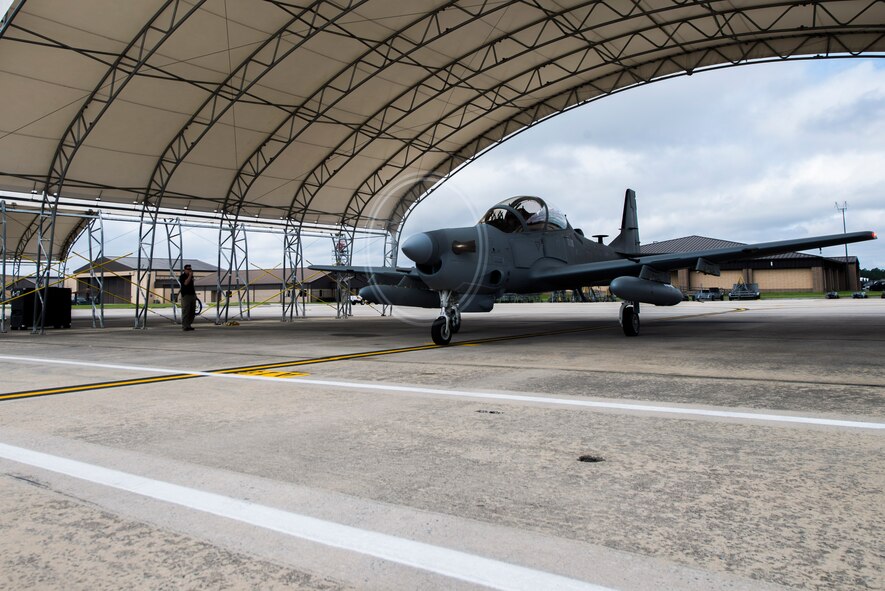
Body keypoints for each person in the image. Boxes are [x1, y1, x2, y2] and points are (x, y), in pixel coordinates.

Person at [179, 264, 197, 331]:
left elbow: (192, 286)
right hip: (186, 295)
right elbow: (186, 283)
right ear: (185, 270)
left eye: (190, 269)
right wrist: (190, 276)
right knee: (186, 310)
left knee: (192, 311)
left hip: (192, 294)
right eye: (188, 269)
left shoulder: (191, 277)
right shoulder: (182, 276)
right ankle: (184, 325)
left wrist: (195, 295)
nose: (189, 271)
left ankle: (189, 324)